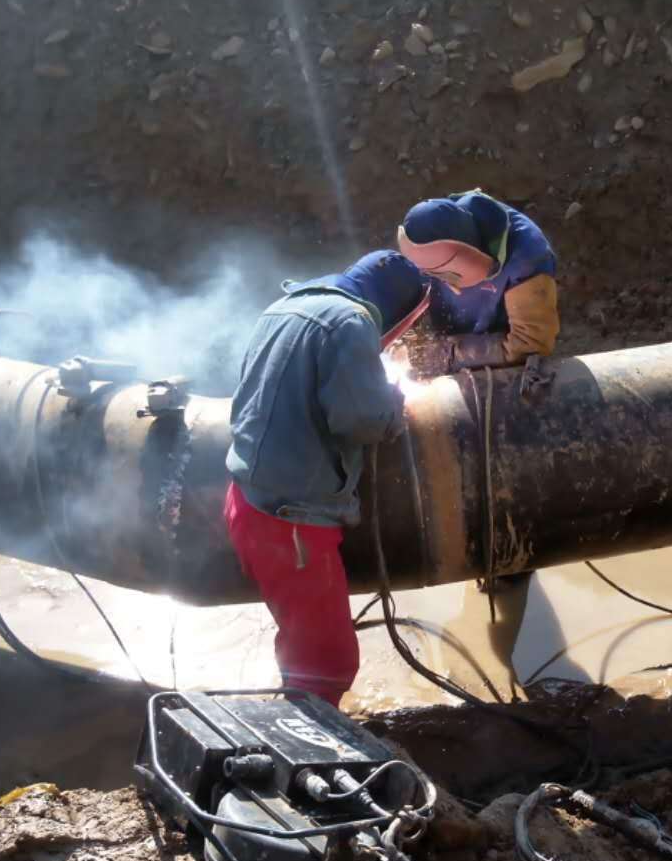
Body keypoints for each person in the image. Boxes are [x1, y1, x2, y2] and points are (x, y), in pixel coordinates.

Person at [224, 250, 429, 707]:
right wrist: (394, 399)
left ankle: (295, 714)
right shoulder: (351, 324)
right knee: (326, 663)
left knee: (303, 644)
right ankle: (307, 759)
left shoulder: (286, 306)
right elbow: (363, 420)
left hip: (249, 498)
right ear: (399, 310)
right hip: (291, 523)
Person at [396, 190, 560, 376]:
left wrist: (451, 354)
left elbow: (531, 344)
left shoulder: (527, 258)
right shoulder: (434, 230)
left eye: (445, 277)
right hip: (455, 324)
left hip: (503, 349)